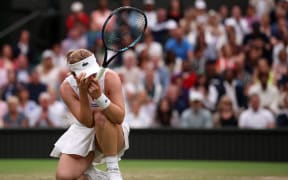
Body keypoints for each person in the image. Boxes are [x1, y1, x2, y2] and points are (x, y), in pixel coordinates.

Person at [50, 49, 129, 180]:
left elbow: (119, 117)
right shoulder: (66, 87)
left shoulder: (111, 77)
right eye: (85, 74)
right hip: (84, 130)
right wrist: (82, 91)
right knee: (64, 177)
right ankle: (96, 177)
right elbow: (87, 122)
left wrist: (99, 97)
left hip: (112, 131)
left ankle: (113, 171)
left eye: (93, 72)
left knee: (100, 115)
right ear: (74, 75)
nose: (91, 77)